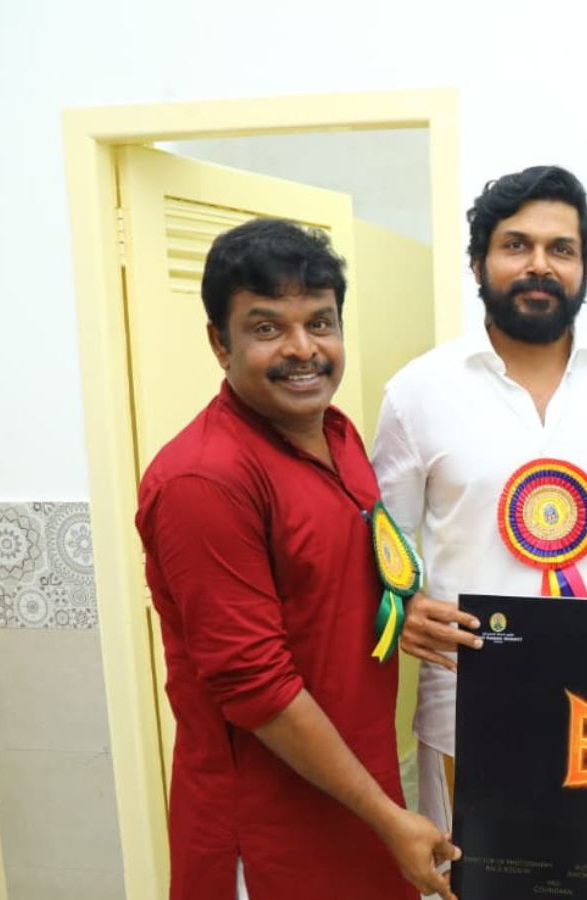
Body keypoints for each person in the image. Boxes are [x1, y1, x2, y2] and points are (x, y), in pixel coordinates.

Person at [372, 165, 587, 843]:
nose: (539, 265)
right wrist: (405, 610)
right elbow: (385, 545)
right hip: (468, 707)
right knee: (474, 879)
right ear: (478, 263)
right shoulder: (417, 393)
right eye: (516, 245)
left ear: (585, 270)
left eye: (561, 249)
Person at [135, 218, 459, 900]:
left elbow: (333, 579)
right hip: (268, 831)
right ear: (219, 342)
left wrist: (403, 610)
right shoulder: (204, 480)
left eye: (320, 322)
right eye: (267, 327)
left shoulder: (337, 434)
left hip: (357, 794)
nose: (303, 349)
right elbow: (258, 688)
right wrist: (390, 819)